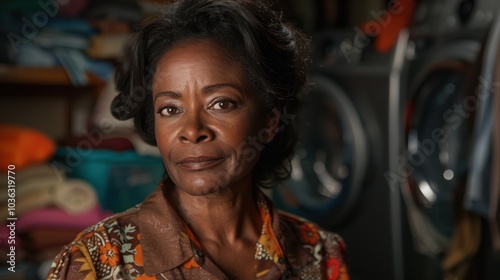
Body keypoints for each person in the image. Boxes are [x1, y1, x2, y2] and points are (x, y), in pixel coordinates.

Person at [47, 0, 349, 279]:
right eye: (170, 109)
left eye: (221, 103)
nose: (192, 130)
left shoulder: (321, 254)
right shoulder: (94, 261)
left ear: (270, 121)